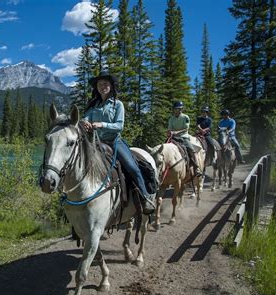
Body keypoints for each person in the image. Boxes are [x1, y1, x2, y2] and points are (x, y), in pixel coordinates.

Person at [81, 72, 155, 212]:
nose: (103, 86)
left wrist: (102, 124)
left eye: (105, 84)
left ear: (111, 86)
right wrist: (85, 122)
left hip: (114, 142)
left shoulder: (118, 104)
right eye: (100, 84)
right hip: (96, 142)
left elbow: (119, 126)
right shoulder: (94, 105)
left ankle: (145, 198)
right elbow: (85, 117)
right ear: (96, 87)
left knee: (133, 168)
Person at [167, 101, 202, 177]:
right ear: (174, 109)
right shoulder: (171, 119)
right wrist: (169, 132)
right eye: (177, 109)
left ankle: (197, 168)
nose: (179, 110)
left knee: (191, 150)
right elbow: (169, 128)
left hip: (183, 137)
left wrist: (176, 132)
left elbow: (186, 129)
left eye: (180, 109)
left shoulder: (185, 117)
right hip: (173, 138)